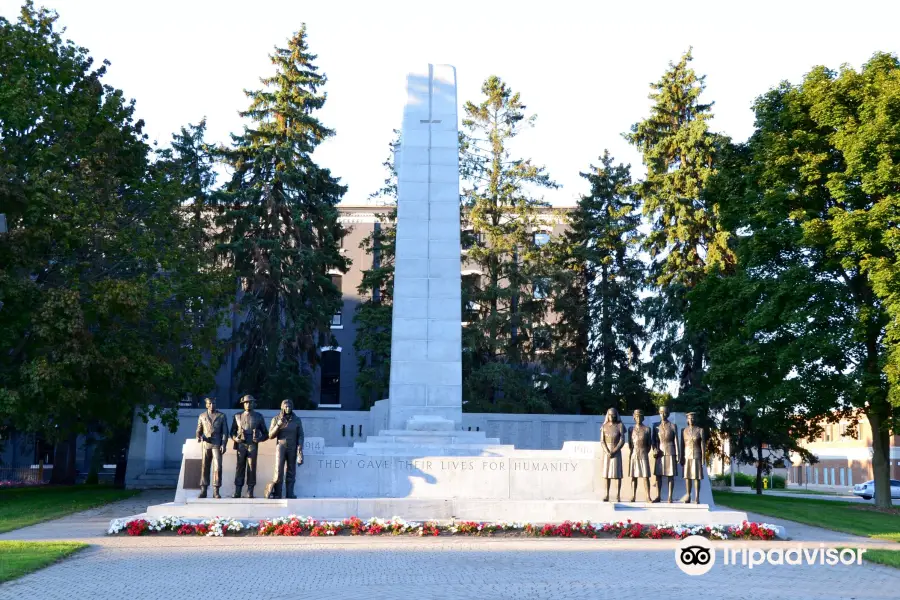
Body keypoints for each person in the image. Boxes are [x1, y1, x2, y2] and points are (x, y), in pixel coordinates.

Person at [230, 394, 268, 498]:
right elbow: (232, 432)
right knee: (240, 467)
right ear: (243, 404)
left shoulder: (258, 416)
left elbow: (266, 433)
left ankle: (250, 490)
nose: (248, 404)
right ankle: (238, 490)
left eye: (250, 402)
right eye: (246, 402)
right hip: (241, 444)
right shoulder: (237, 416)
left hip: (252, 444)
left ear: (254, 404)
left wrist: (259, 439)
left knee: (251, 467)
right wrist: (235, 438)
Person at [267, 399, 305, 499]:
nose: (288, 408)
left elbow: (300, 435)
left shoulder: (297, 420)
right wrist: (279, 424)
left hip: (292, 447)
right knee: (278, 470)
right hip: (281, 446)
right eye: (286, 407)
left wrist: (300, 447)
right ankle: (277, 493)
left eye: (289, 406)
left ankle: (290, 493)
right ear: (282, 407)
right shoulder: (276, 419)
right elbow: (270, 435)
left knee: (291, 470)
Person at [195, 397, 228, 499]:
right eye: (210, 403)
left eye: (214, 403)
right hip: (206, 444)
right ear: (206, 405)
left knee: (218, 467)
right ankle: (203, 490)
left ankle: (216, 490)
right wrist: (198, 436)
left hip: (217, 444)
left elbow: (225, 432)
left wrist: (223, 444)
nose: (212, 405)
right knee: (205, 466)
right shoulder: (202, 416)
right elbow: (198, 430)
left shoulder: (221, 416)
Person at [652, 405, 679, 503]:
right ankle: (658, 496)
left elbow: (676, 441)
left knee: (670, 475)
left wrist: (678, 455)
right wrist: (654, 449)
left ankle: (669, 497)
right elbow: (654, 440)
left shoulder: (673, 426)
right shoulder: (655, 426)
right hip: (660, 453)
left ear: (668, 414)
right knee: (658, 475)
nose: (663, 414)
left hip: (671, 451)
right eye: (661, 412)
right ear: (659, 413)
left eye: (665, 412)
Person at [681, 412, 707, 504]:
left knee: (696, 477)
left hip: (696, 455)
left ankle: (697, 497)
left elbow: (703, 445)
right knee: (687, 477)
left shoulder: (700, 430)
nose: (691, 420)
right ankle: (688, 495)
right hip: (687, 455)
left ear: (695, 419)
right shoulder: (684, 431)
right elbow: (682, 445)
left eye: (692, 418)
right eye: (689, 418)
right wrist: (681, 457)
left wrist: (703, 458)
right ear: (687, 420)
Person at [600, 407, 625, 502]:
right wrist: (607, 451)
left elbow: (622, 440)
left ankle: (618, 495)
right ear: (607, 415)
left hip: (616, 451)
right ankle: (607, 494)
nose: (612, 416)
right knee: (607, 475)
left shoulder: (620, 425)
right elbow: (602, 441)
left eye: (614, 414)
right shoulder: (604, 426)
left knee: (617, 474)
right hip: (607, 452)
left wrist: (614, 451)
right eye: (610, 414)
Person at [627, 409, 653, 502]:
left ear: (643, 417)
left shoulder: (647, 429)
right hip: (634, 453)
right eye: (636, 416)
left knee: (646, 477)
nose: (638, 418)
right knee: (634, 476)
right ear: (634, 417)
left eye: (640, 416)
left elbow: (649, 444)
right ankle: (633, 496)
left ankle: (648, 496)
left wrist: (645, 452)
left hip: (643, 453)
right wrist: (633, 452)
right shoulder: (631, 429)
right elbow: (630, 444)